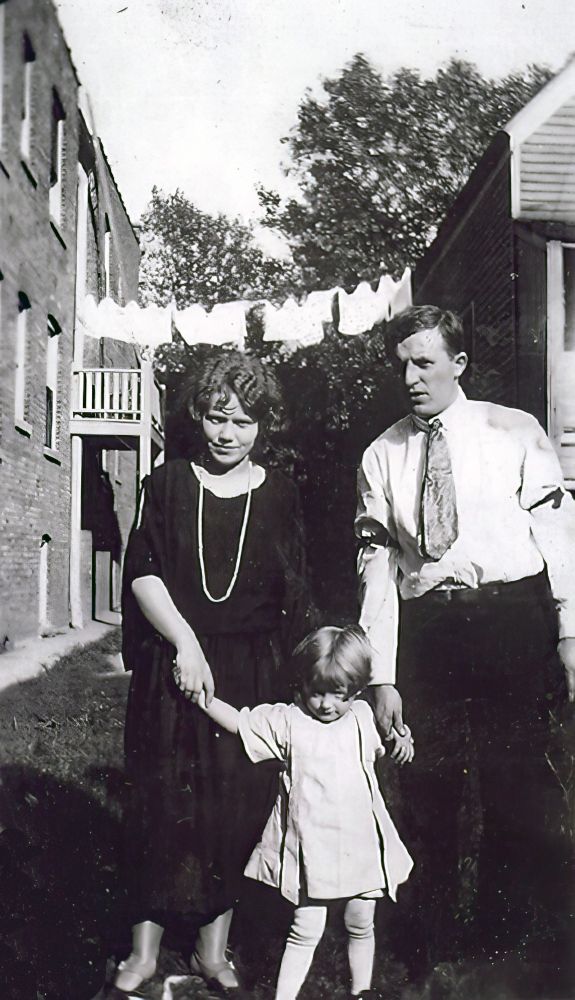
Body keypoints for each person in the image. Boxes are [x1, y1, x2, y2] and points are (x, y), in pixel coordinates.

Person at [355, 305, 575, 971]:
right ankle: (422, 945)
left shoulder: (512, 431)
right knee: (426, 787)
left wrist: (568, 633)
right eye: (402, 366)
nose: (412, 379)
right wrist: (383, 675)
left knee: (519, 786)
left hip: (513, 622)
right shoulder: (381, 453)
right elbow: (377, 571)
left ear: (458, 363)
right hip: (431, 634)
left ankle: (507, 941)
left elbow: (557, 537)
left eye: (425, 362)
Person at [115, 349, 315, 994]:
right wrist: (185, 642)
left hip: (248, 674)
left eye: (245, 421)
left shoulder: (281, 494)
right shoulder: (168, 483)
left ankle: (211, 951)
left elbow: (296, 591)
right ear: (198, 415)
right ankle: (143, 951)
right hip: (175, 661)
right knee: (160, 797)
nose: (228, 434)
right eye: (217, 417)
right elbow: (143, 570)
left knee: (234, 804)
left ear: (265, 426)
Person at [197, 625, 414, 1000]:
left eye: (338, 695)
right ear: (303, 685)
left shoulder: (361, 716)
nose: (327, 704)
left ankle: (361, 990)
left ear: (357, 691)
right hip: (311, 846)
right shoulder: (288, 721)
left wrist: (401, 740)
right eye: (318, 693)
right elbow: (240, 722)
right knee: (306, 927)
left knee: (361, 920)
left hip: (360, 844)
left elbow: (388, 737)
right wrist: (203, 698)